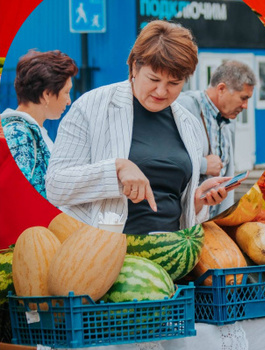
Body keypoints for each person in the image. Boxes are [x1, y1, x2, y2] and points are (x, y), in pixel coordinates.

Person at [46, 20, 231, 234]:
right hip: (103, 252)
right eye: (153, 79)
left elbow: (178, 206)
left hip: (167, 253)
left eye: (174, 83)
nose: (162, 92)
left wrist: (198, 200)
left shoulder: (189, 124)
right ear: (134, 66)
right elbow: (56, 186)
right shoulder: (91, 106)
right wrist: (117, 168)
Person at [177, 60, 256, 218]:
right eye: (243, 98)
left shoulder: (228, 120)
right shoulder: (184, 108)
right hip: (183, 223)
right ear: (221, 89)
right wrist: (204, 165)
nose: (246, 106)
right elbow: (164, 157)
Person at [1, 49, 78, 198]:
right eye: (66, 92)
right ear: (47, 94)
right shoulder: (18, 135)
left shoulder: (31, 131)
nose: (69, 101)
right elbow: (16, 196)